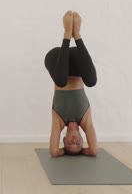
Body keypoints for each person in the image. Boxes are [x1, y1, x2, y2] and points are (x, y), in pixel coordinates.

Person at [44, 10, 98, 157]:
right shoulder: (85, 121)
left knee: (61, 81)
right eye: (78, 143)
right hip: (75, 60)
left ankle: (67, 34)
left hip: (56, 58)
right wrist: (82, 152)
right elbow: (93, 151)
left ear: (64, 138)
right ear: (82, 138)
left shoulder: (59, 121)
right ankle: (77, 35)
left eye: (69, 143)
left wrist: (65, 152)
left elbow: (54, 151)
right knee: (92, 82)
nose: (74, 140)